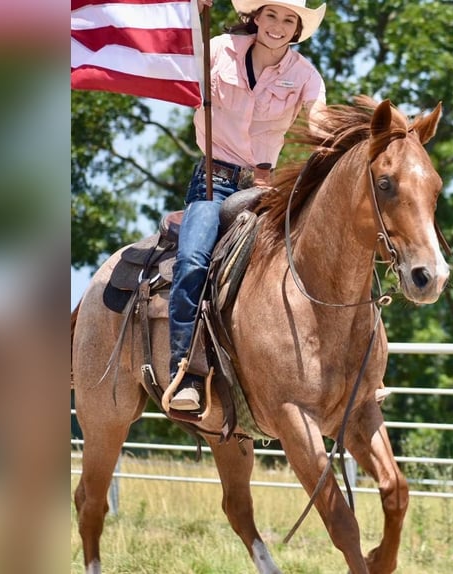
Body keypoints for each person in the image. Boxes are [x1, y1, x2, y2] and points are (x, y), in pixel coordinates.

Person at [168, 0, 327, 411]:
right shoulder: (217, 50)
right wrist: (193, 12)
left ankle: (337, 369)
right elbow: (177, 54)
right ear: (255, 17)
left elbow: (319, 123)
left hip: (263, 191)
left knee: (314, 262)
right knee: (192, 261)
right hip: (212, 183)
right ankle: (186, 370)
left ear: (297, 30)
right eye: (271, 15)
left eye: (288, 19)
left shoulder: (306, 76)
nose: (278, 25)